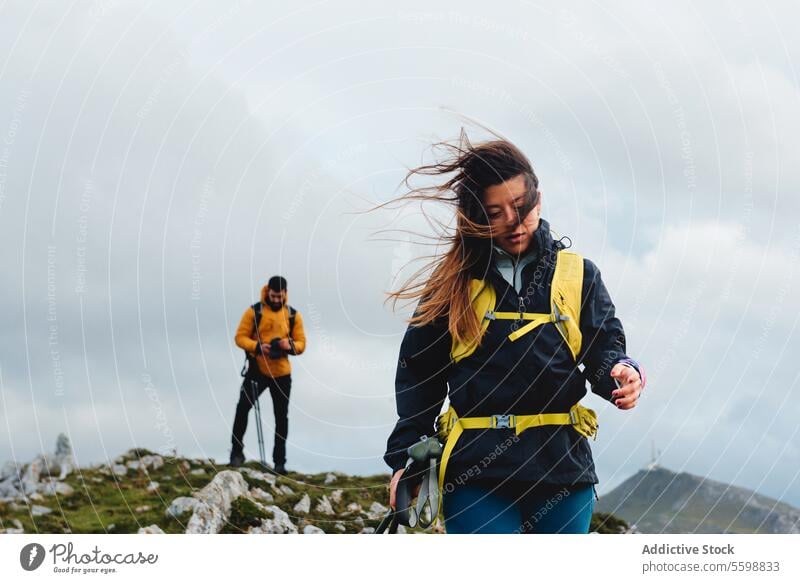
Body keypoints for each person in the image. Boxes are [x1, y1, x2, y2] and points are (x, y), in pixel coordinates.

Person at [382, 132, 646, 533]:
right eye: (495, 212)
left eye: (521, 207)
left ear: (538, 201)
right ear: (474, 215)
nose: (513, 221)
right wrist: (407, 457)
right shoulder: (451, 283)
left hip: (563, 469)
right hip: (477, 475)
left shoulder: (579, 275)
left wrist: (619, 372)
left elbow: (603, 346)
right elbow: (420, 373)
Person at [230, 275, 306, 474]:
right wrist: (257, 346)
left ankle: (279, 462)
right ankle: (236, 453)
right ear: (267, 292)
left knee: (281, 418)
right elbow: (239, 337)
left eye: (279, 296)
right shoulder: (254, 311)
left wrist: (288, 345)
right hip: (257, 369)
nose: (276, 300)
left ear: (285, 294)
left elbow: (301, 344)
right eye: (273, 296)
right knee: (242, 409)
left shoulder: (292, 315)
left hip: (282, 373)